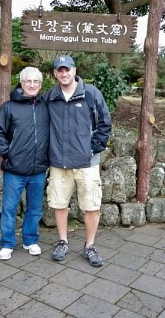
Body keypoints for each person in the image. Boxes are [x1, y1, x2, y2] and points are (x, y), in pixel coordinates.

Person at [44, 55, 112, 267]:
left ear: (74, 70)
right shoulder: (50, 97)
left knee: (91, 206)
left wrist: (92, 149)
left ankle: (89, 246)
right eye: (59, 70)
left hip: (87, 163)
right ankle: (63, 242)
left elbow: (104, 123)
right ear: (55, 73)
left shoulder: (91, 93)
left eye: (67, 69)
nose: (64, 73)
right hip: (59, 162)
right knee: (59, 203)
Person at [0, 67, 49, 260]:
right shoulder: (8, 107)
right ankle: (7, 243)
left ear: (40, 85)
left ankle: (30, 240)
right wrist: (8, 153)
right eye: (28, 81)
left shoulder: (45, 106)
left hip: (39, 169)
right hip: (14, 169)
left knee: (35, 208)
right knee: (9, 208)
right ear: (21, 83)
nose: (32, 85)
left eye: (36, 82)